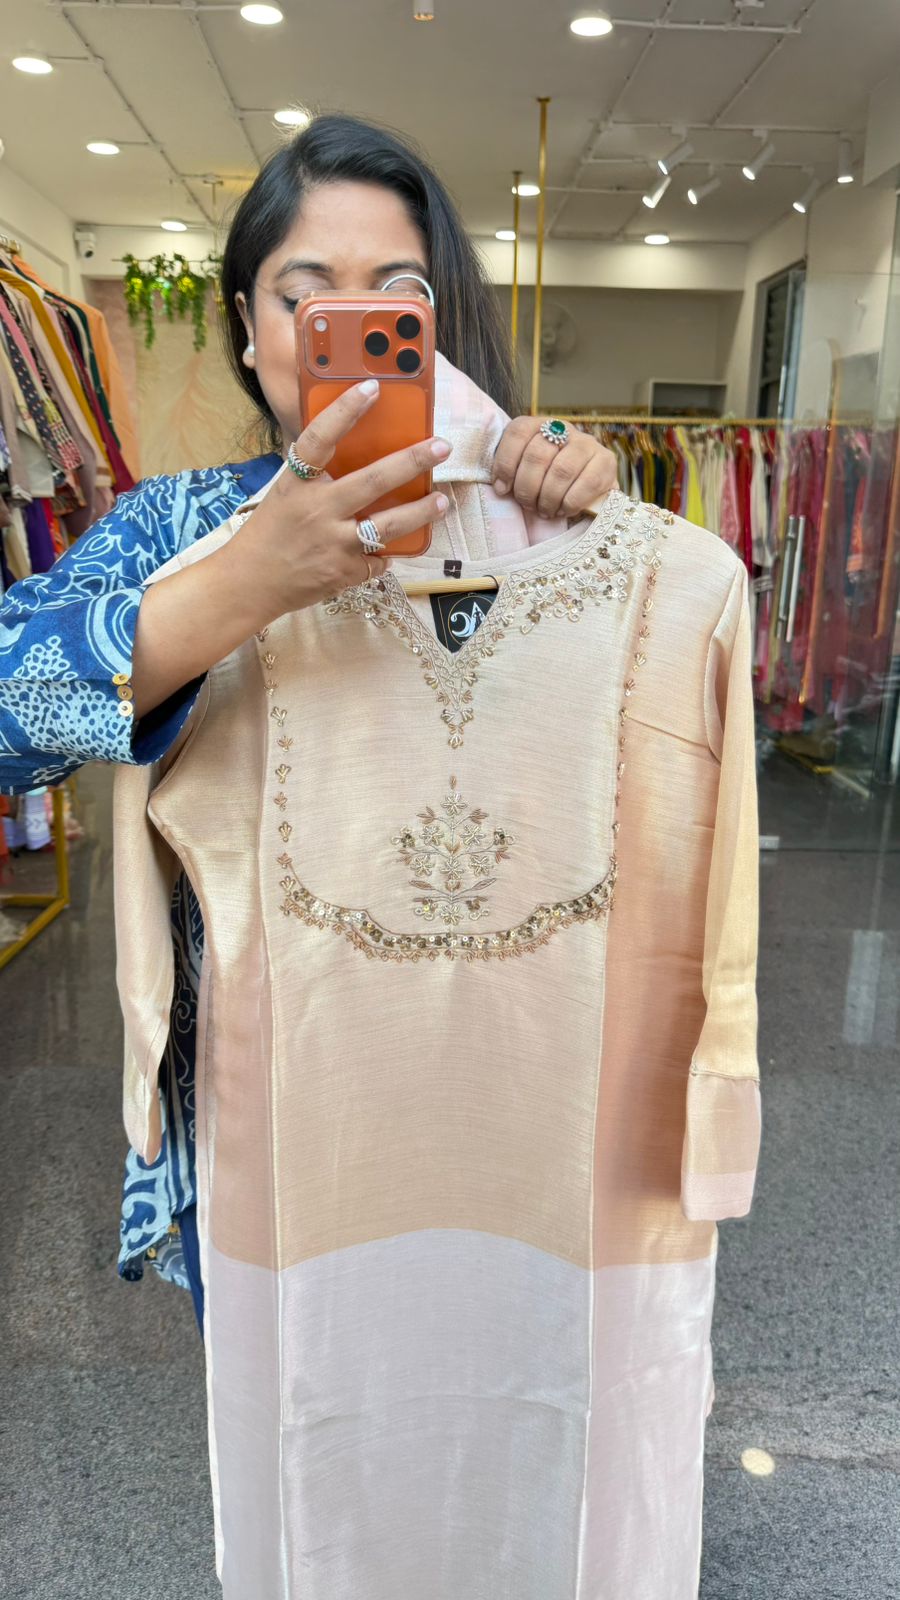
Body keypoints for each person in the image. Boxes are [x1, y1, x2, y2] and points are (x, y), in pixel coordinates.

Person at [0, 114, 761, 1600]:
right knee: (317, 1441)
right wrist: (243, 584)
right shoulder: (183, 530)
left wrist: (569, 495)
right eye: (306, 292)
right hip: (278, 1131)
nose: (346, 325)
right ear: (249, 326)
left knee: (541, 1425)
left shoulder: (579, 520)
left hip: (552, 1119)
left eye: (394, 295)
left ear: (439, 318)